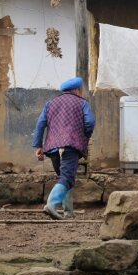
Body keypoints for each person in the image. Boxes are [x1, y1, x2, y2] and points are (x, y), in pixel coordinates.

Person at [32, 77, 96, 219]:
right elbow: (90, 122)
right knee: (67, 178)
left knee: (65, 178)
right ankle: (51, 204)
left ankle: (68, 212)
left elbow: (40, 124)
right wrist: (84, 135)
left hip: (53, 147)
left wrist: (39, 146)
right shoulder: (82, 103)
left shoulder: (50, 104)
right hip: (71, 146)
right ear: (77, 91)